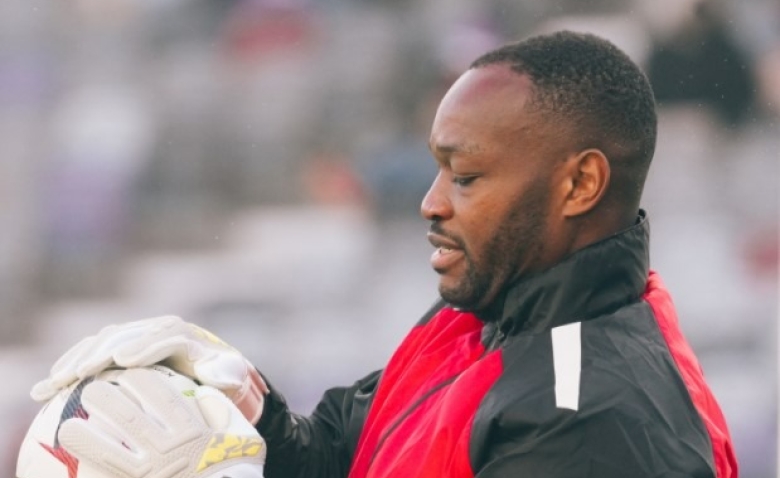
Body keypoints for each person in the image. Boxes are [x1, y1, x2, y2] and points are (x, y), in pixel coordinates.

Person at [29, 31, 738, 478]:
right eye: (436, 171)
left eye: (465, 176)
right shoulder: (483, 314)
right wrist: (245, 411)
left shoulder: (588, 416)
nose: (430, 202)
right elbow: (345, 455)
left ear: (579, 183)